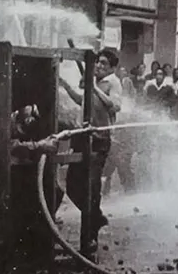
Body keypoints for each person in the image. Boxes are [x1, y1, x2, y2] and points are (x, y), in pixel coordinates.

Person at [59, 48, 123, 251]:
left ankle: (90, 238)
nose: (99, 66)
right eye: (98, 63)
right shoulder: (92, 82)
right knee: (72, 185)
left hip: (99, 140)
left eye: (104, 63)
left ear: (112, 67)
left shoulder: (113, 82)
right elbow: (82, 101)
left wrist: (93, 86)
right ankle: (96, 217)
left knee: (92, 188)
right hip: (82, 137)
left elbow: (114, 106)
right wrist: (66, 85)